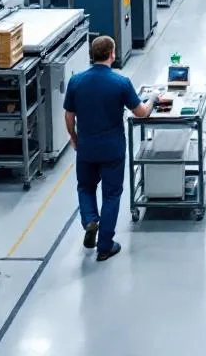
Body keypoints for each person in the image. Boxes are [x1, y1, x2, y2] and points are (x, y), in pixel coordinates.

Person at [64, 36, 155, 261]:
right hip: (112, 149)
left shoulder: (76, 82)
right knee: (112, 194)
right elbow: (141, 112)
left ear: (91, 55)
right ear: (112, 54)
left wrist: (74, 138)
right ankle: (105, 246)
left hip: (86, 147)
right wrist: (152, 99)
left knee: (85, 187)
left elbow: (69, 114)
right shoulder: (120, 83)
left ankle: (90, 221)